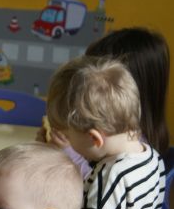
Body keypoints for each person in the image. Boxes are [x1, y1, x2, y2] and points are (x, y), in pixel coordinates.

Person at [46, 56, 165, 209]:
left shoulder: (111, 176)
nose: (68, 142)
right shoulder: (152, 157)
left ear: (94, 138)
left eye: (68, 136)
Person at [40, 27, 170, 175]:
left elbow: (99, 183)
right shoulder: (122, 138)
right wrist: (51, 148)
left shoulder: (134, 150)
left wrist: (70, 154)